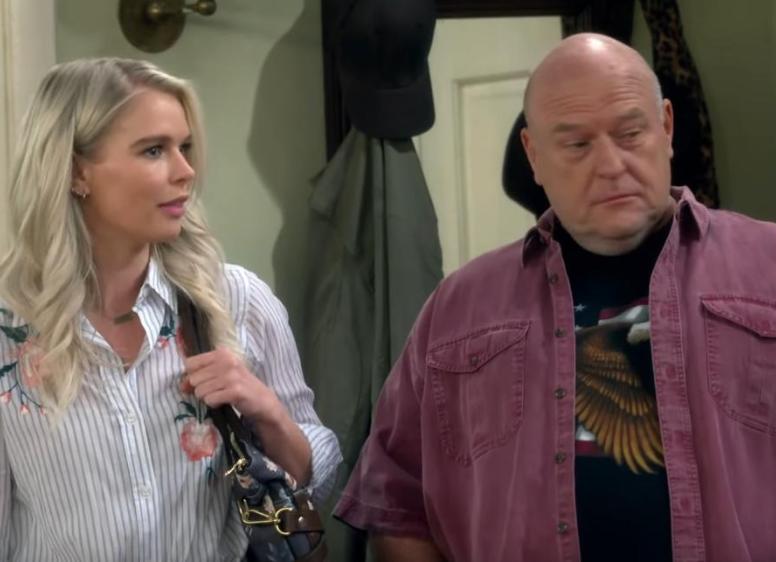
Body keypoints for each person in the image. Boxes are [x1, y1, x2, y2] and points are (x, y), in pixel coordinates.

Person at [334, 33, 776, 562]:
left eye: (630, 132)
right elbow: (396, 504)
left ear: (666, 127)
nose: (611, 165)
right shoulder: (459, 310)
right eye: (577, 145)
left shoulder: (766, 269)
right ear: (534, 155)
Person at [0, 58, 342, 561]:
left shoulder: (237, 300)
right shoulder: (8, 330)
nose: (186, 172)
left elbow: (320, 479)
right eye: (154, 150)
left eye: (186, 147)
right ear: (75, 171)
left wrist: (267, 412)